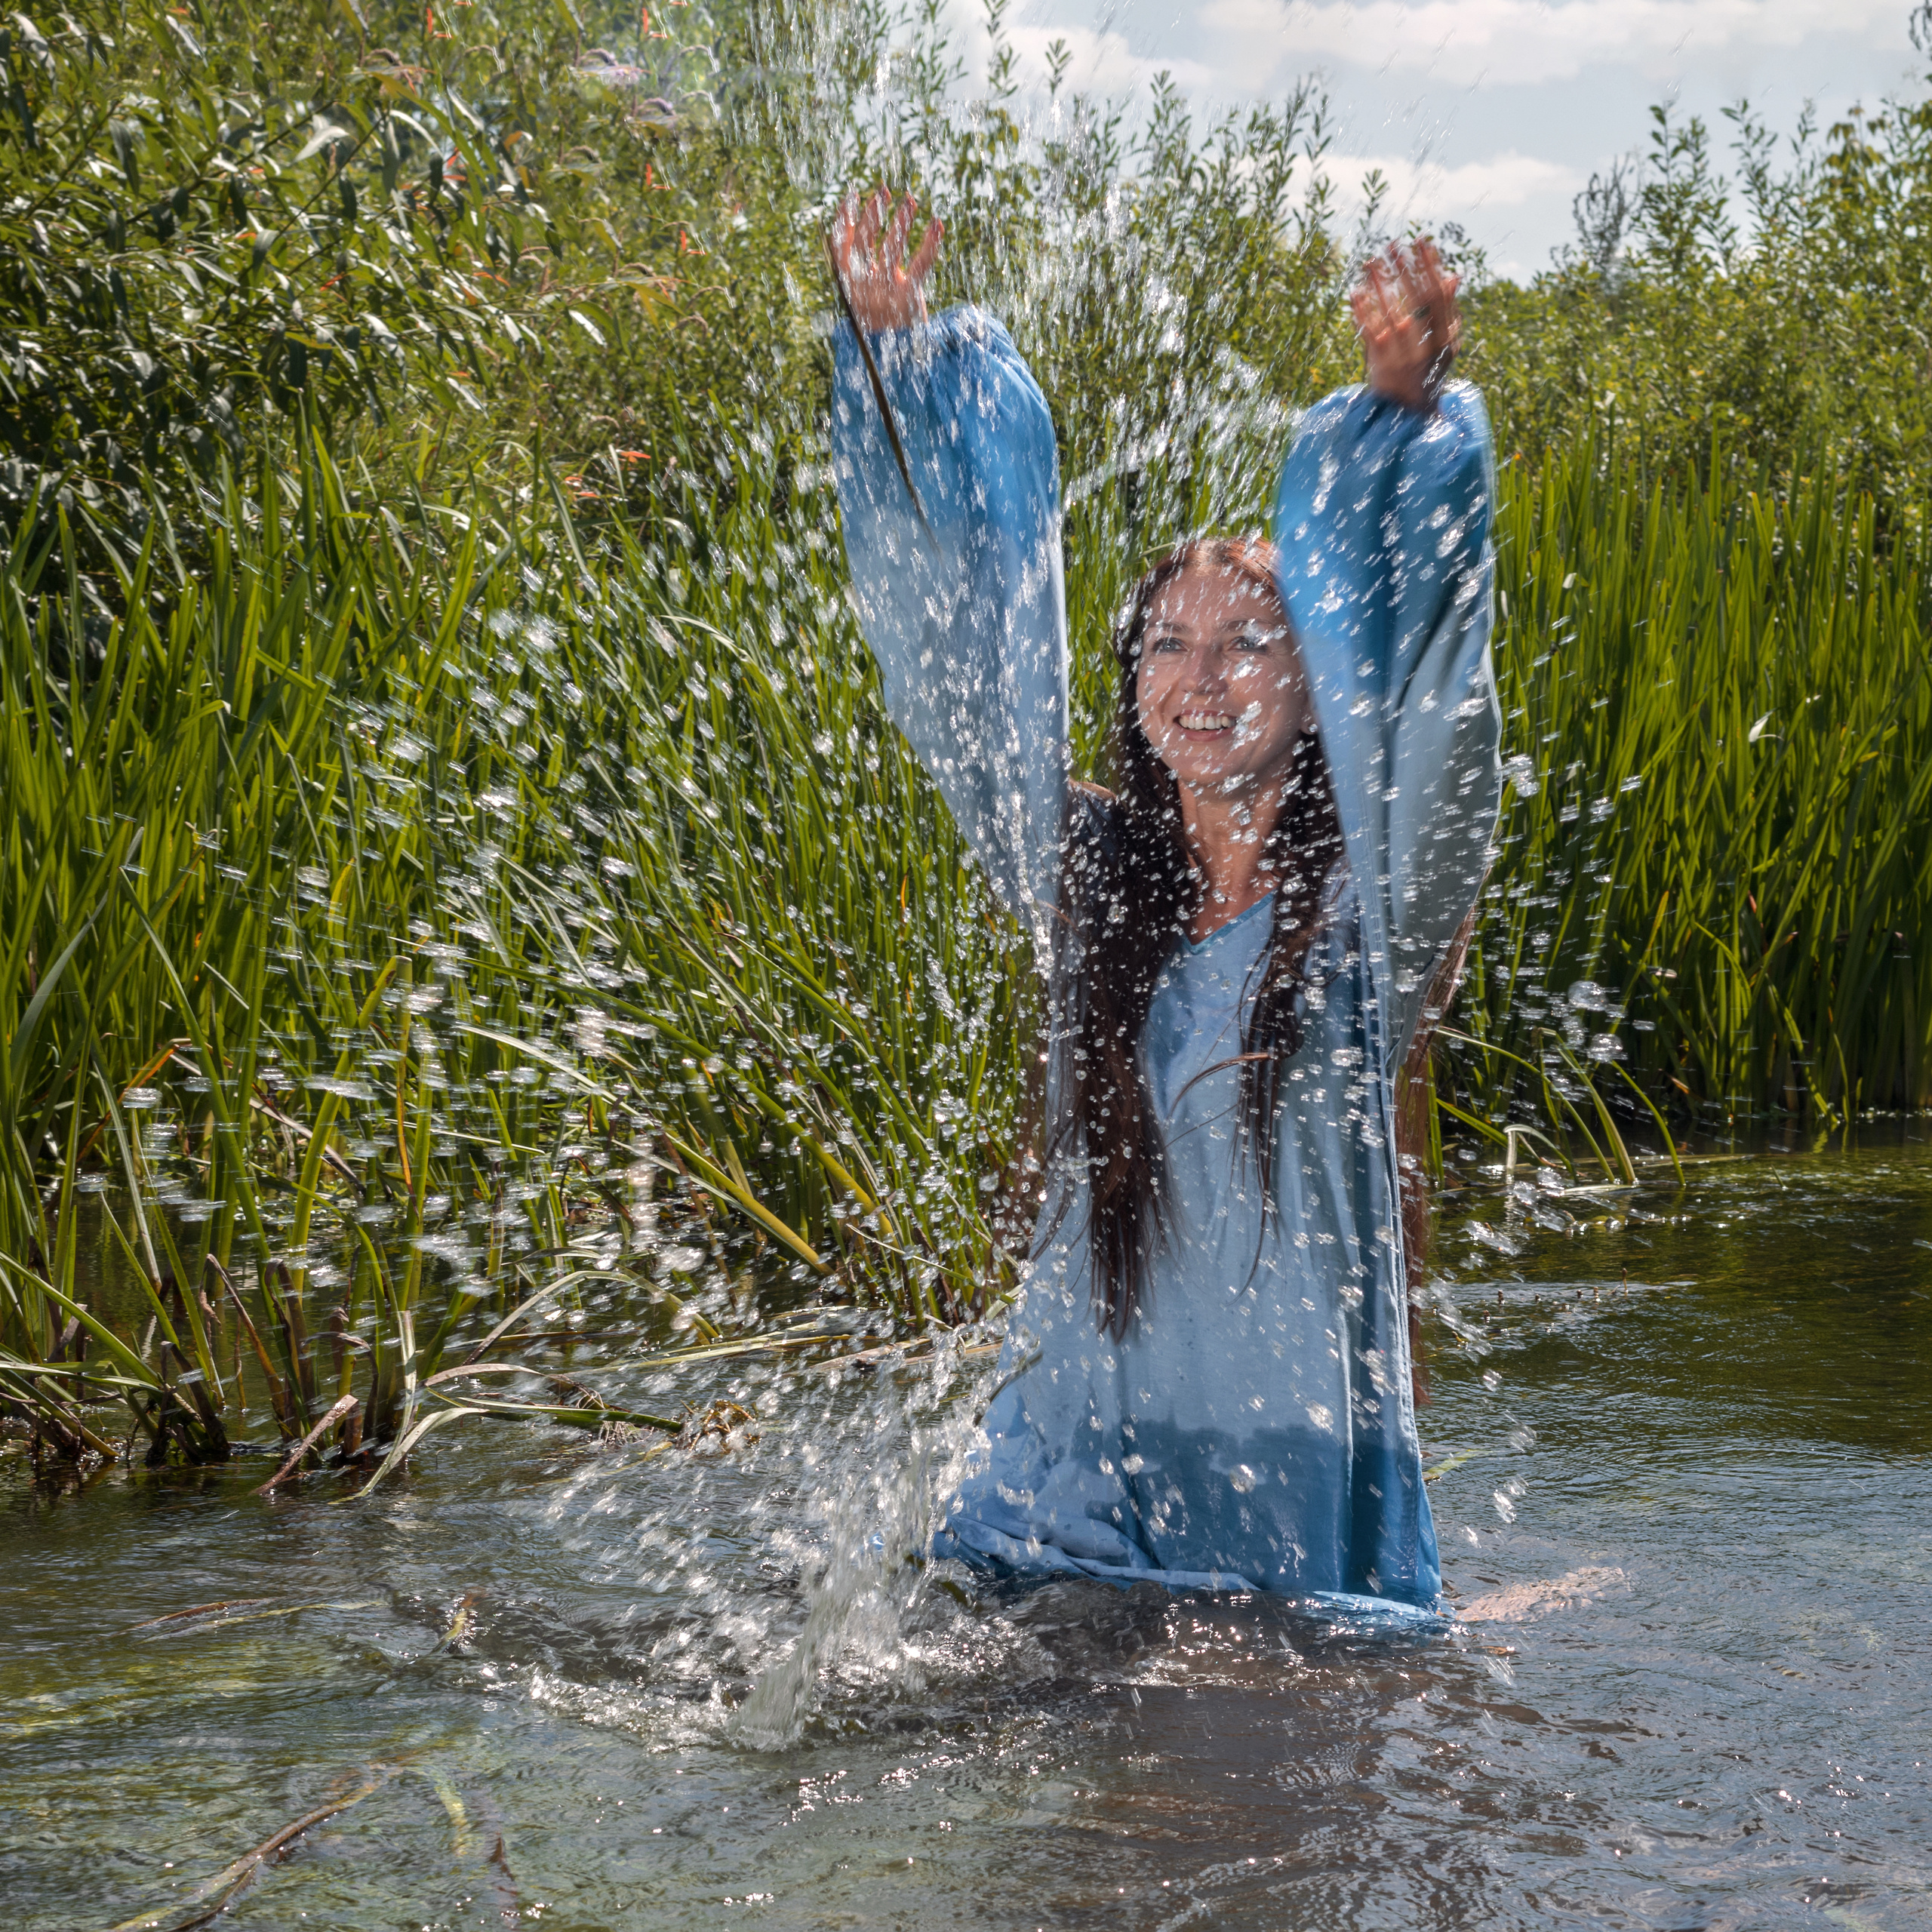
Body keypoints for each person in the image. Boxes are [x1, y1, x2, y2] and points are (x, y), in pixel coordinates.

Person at [828, 191, 1500, 1612]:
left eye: (1254, 641)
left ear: (1323, 689)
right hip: (1065, 1476)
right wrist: (908, 385)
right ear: (1132, 689)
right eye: (1166, 646)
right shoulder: (1081, 877)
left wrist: (1408, 432)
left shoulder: (1380, 912)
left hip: (1284, 1489)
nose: (1203, 678)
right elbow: (960, 666)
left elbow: (1438, 696)